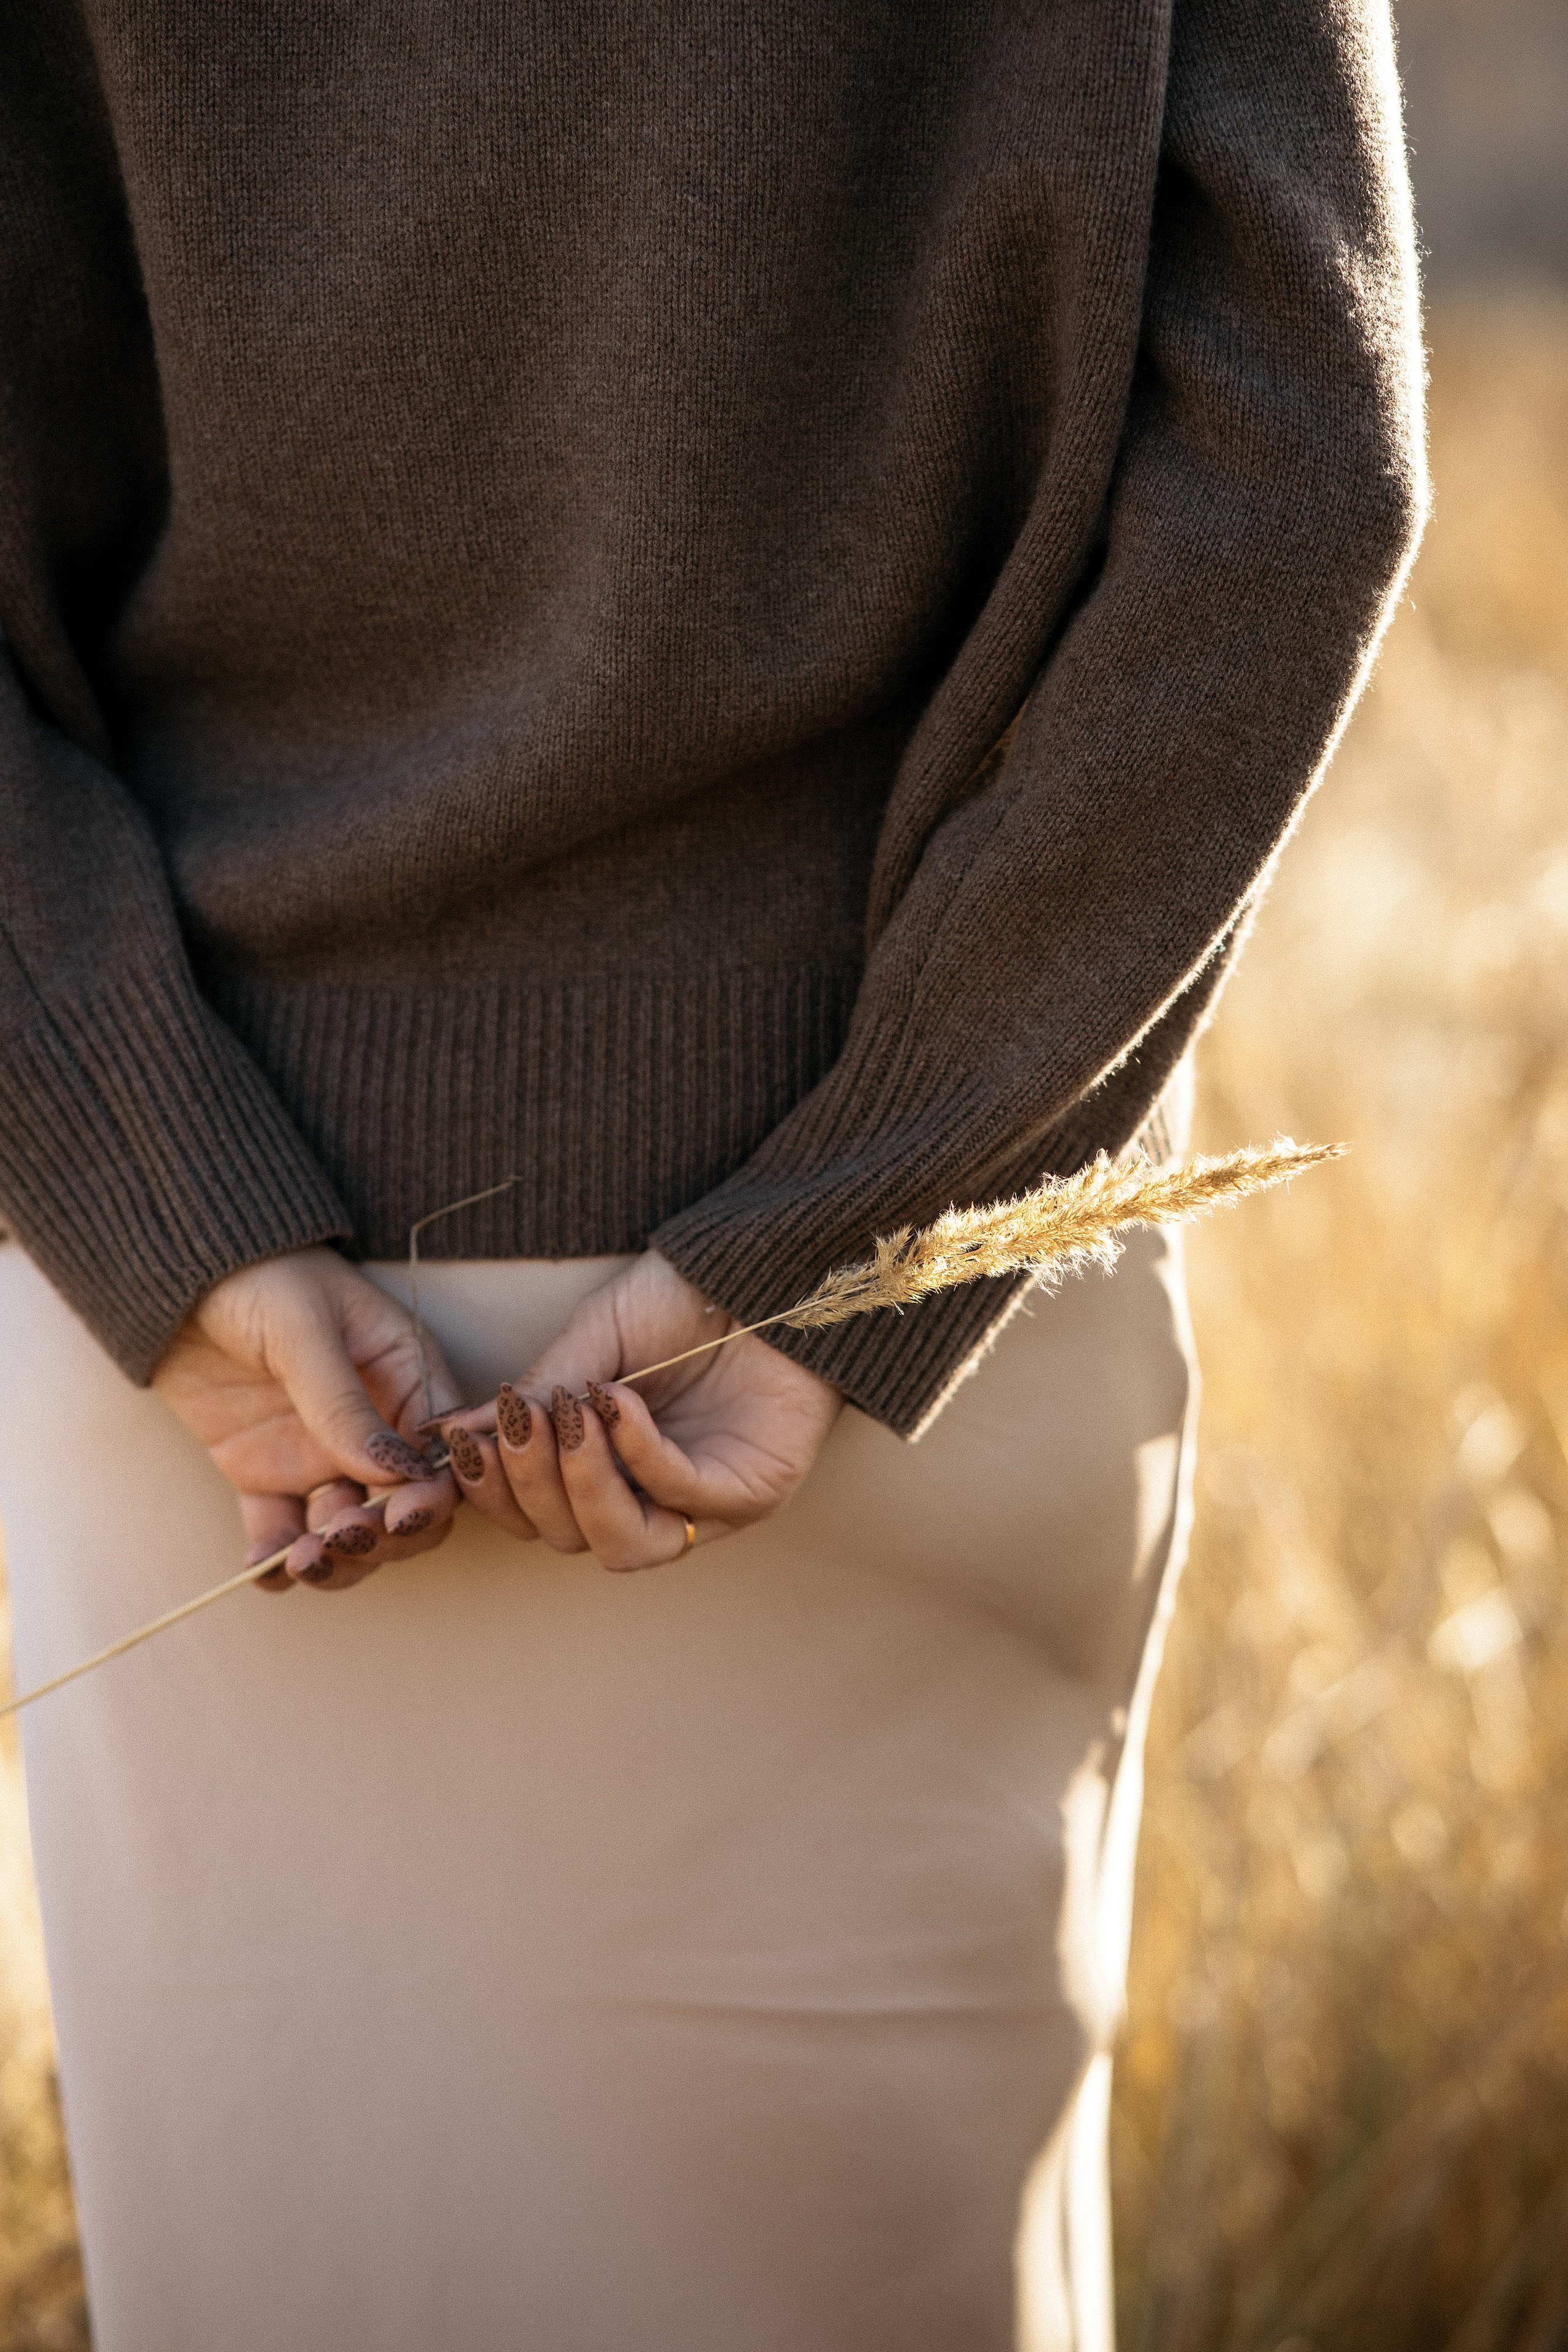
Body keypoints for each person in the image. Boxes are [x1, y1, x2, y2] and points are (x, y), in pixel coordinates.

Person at [0, 4, 1422, 2346]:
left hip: (223, 1363)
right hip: (896, 1347)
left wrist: (150, 1177)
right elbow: (1306, 470)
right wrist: (872, 1204)